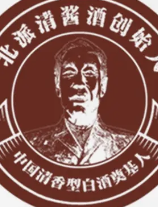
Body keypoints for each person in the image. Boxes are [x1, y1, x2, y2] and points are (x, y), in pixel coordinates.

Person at [23, 37, 134, 166]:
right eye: (69, 73)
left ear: (103, 86)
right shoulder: (30, 145)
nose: (79, 84)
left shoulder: (128, 146)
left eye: (89, 73)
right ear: (58, 85)